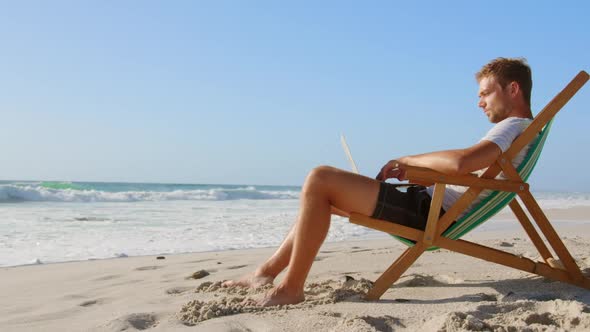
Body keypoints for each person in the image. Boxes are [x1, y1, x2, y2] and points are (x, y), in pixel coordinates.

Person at [223, 57, 535, 306]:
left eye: (485, 93)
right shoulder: (519, 128)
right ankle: (266, 274)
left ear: (513, 89)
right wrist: (415, 173)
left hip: (430, 213)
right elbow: (466, 171)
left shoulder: (511, 126)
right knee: (321, 191)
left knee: (320, 178)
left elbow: (461, 162)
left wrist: (408, 161)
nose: (480, 102)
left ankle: (291, 288)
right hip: (427, 203)